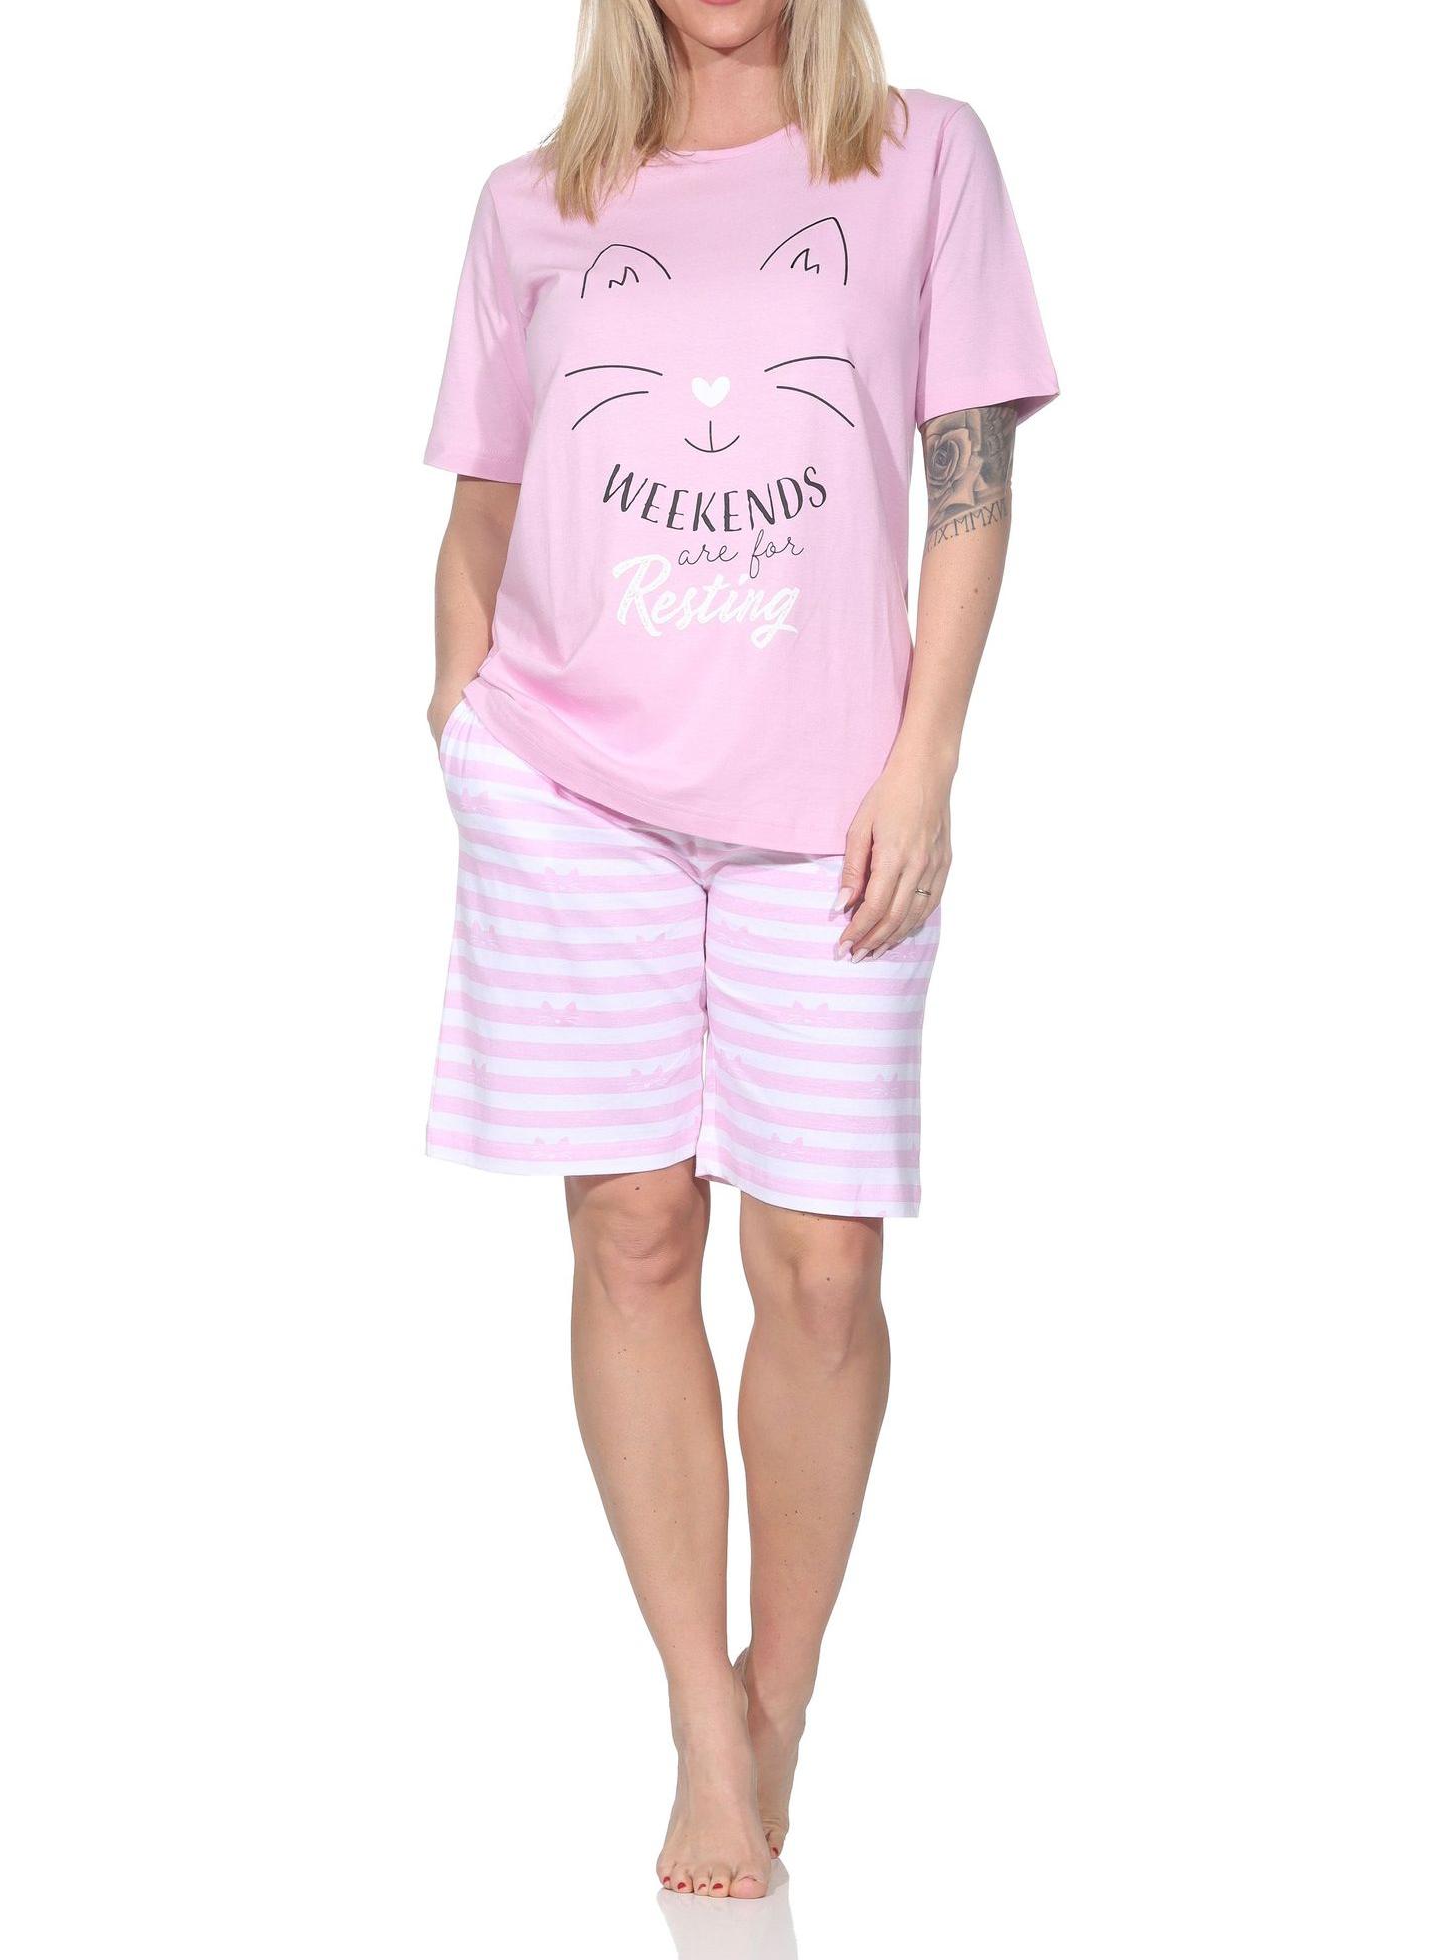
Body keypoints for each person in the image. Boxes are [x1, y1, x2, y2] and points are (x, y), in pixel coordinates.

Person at [422, 0, 1056, 1900]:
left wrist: (927, 758)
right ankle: (704, 1723)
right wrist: (458, 724)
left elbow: (970, 485)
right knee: (632, 1232)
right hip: (567, 785)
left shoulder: (923, 157)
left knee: (825, 1267)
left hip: (834, 793)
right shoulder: (535, 201)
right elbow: (484, 503)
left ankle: (786, 1690)